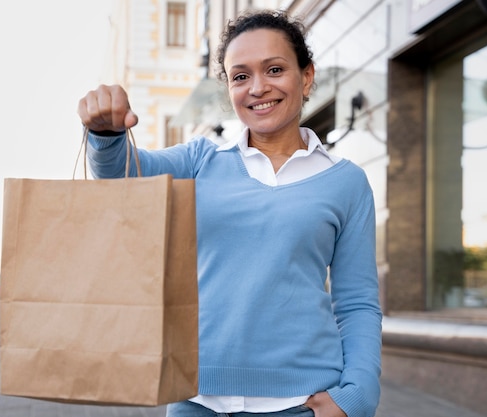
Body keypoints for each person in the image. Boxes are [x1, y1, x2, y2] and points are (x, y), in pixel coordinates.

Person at [78, 10, 382, 417]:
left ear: (306, 76)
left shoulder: (345, 182)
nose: (258, 88)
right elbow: (121, 176)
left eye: (274, 69)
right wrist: (105, 133)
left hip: (301, 405)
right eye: (240, 76)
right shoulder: (201, 160)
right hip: (194, 400)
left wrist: (358, 396)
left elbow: (358, 302)